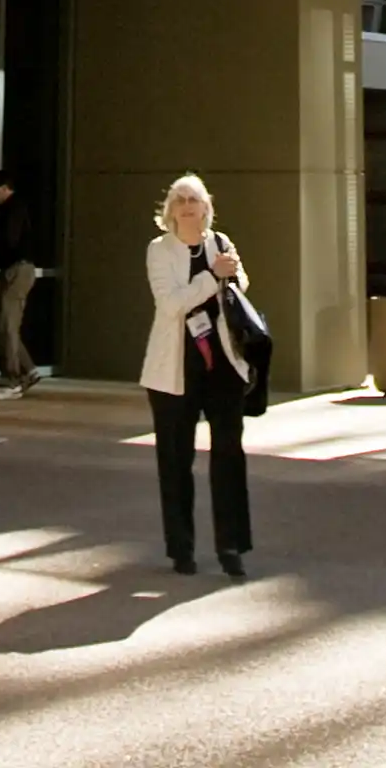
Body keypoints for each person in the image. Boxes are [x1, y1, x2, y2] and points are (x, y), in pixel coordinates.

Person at [141, 173, 252, 580]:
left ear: (207, 207)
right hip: (173, 370)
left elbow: (239, 288)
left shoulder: (221, 244)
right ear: (171, 211)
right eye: (180, 200)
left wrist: (232, 274)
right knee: (174, 461)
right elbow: (170, 304)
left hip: (222, 366)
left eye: (195, 199)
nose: (188, 206)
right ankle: (181, 549)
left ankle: (231, 547)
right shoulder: (159, 250)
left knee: (228, 456)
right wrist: (211, 276)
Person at [0, 169, 41, 399]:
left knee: (6, 322)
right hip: (12, 270)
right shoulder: (3, 210)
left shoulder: (15, 209)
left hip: (18, 270)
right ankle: (28, 370)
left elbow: (9, 237)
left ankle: (11, 380)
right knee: (4, 321)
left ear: (6, 188)